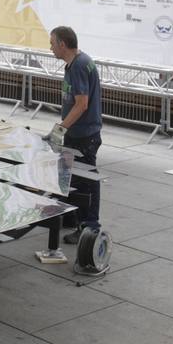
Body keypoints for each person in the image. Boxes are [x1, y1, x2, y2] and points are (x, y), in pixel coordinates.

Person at [49, 26, 101, 243]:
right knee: (69, 175)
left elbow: (81, 105)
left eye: (52, 43)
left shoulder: (79, 66)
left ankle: (89, 226)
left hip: (83, 135)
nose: (50, 48)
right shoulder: (77, 63)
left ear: (62, 44)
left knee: (85, 181)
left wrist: (60, 129)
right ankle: (73, 217)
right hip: (79, 133)